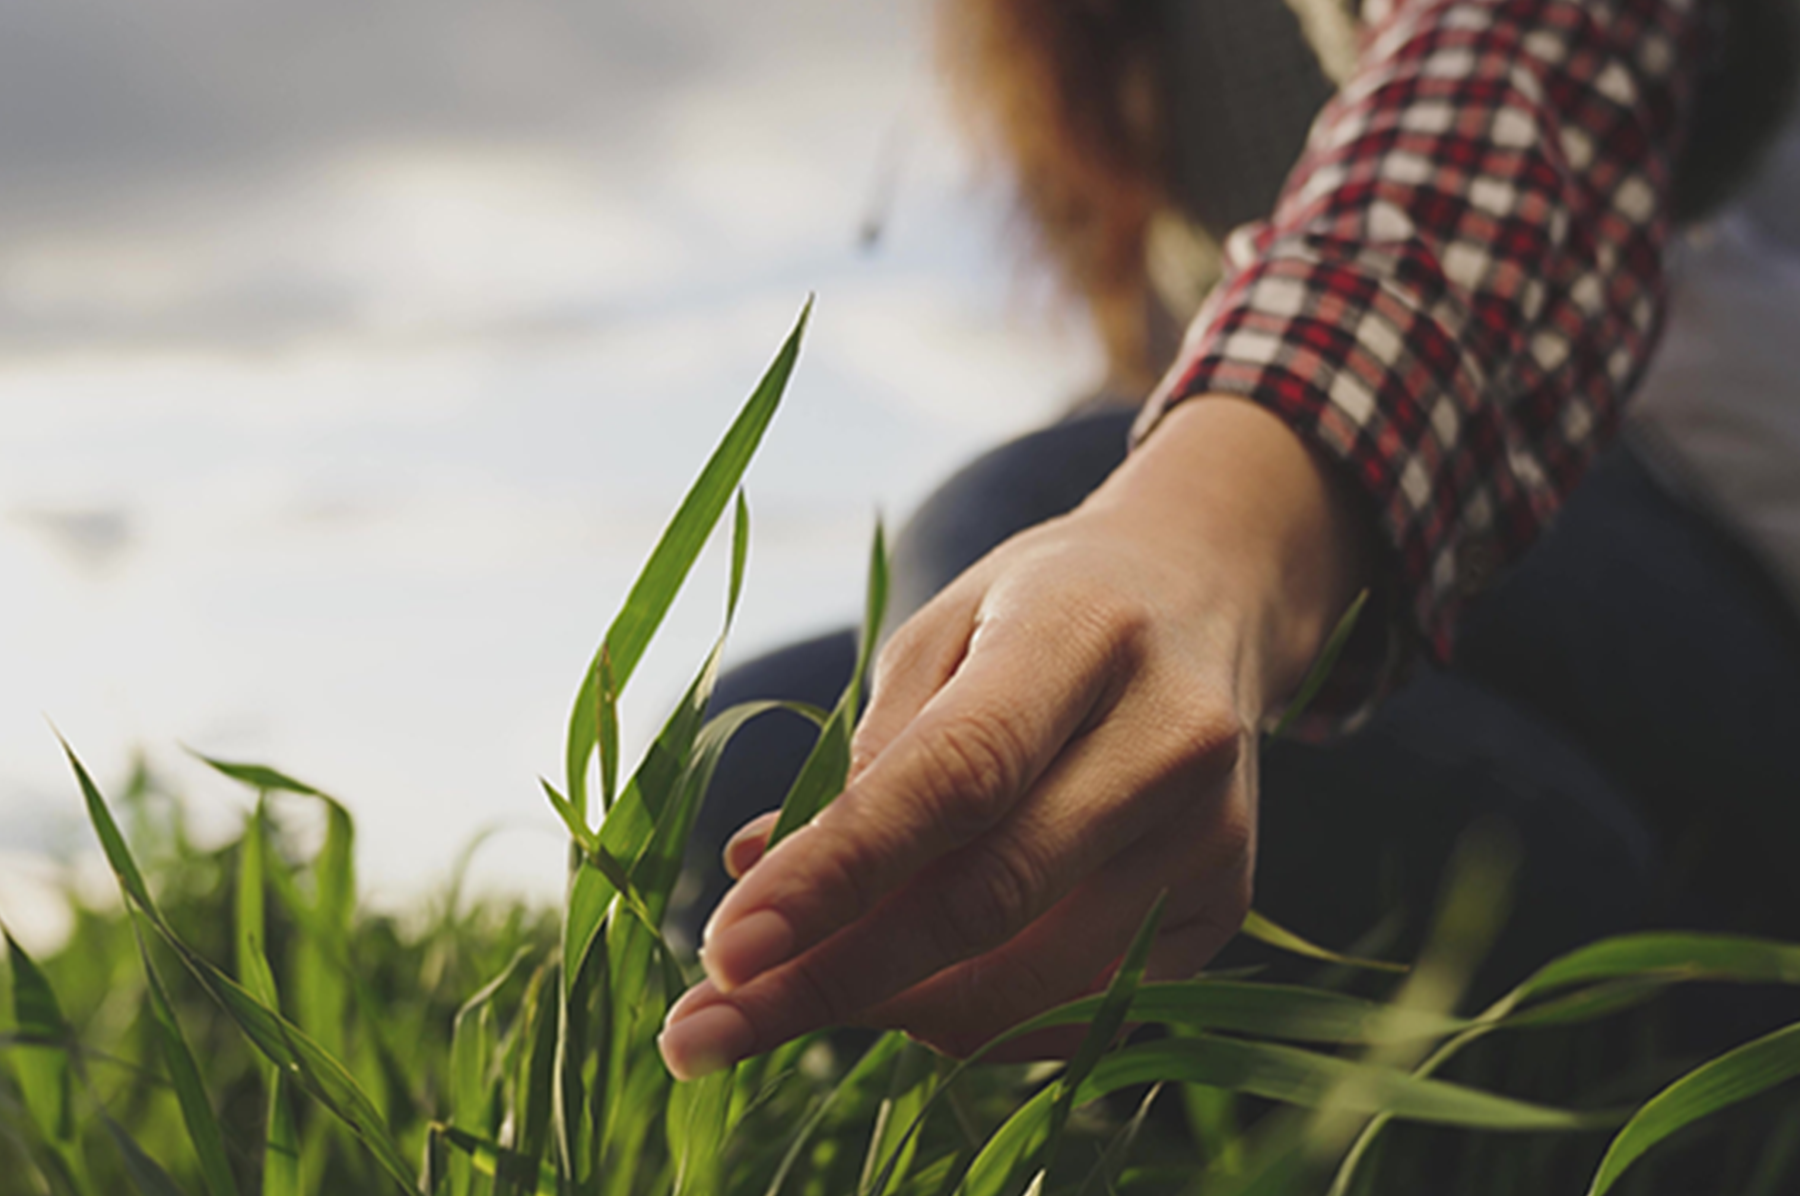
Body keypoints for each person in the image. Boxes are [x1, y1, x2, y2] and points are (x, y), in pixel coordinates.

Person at [659, 0, 1800, 1081]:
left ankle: (1707, 1026)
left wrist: (1191, 544)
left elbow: (1515, 72)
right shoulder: (1107, 52)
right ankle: (1593, 1012)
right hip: (1424, 620)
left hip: (1717, 537)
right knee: (739, 761)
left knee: (1018, 514)